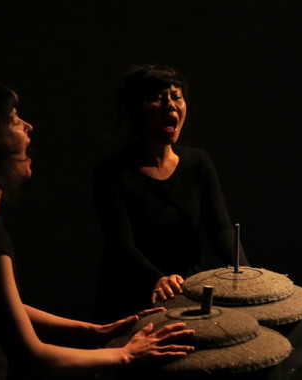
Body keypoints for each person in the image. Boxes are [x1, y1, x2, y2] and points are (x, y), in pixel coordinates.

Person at [0, 83, 195, 379]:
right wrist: (125, 355)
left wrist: (96, 331)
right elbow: (34, 355)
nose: (29, 126)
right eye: (14, 119)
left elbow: (6, 307)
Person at [92, 65, 249, 323]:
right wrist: (157, 278)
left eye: (176, 96)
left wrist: (246, 272)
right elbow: (121, 245)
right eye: (157, 98)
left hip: (185, 299)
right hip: (129, 302)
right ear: (136, 110)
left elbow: (220, 228)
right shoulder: (112, 172)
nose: (170, 105)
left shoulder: (197, 163)